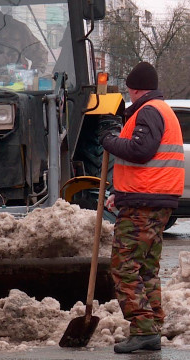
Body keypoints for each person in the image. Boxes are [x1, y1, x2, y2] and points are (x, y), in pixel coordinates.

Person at [98, 62, 184, 354]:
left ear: (134, 88)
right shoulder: (160, 110)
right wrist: (119, 193)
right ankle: (152, 325)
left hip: (145, 202)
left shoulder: (148, 111)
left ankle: (144, 328)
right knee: (146, 267)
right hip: (151, 199)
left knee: (124, 266)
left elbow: (140, 151)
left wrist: (109, 140)